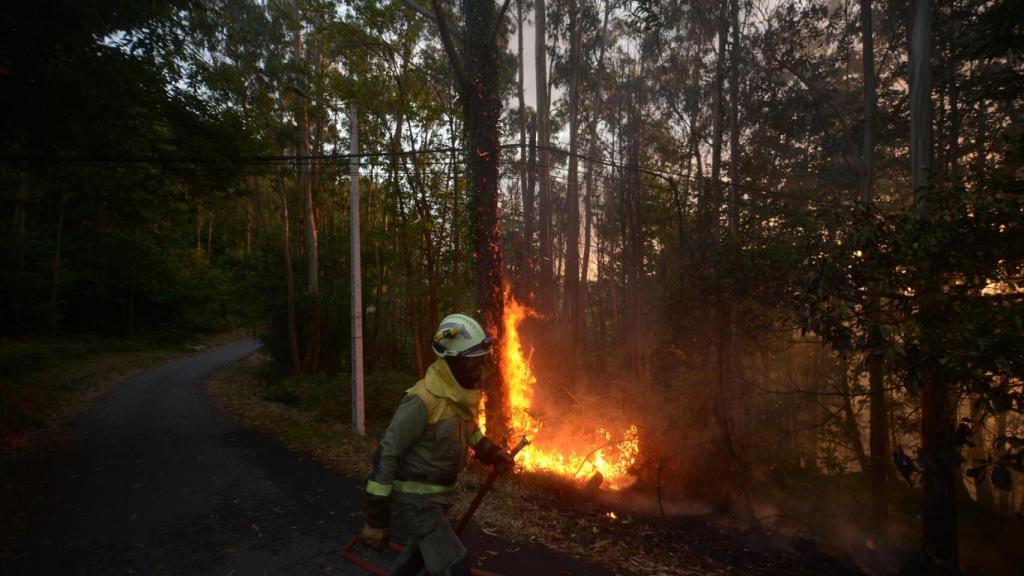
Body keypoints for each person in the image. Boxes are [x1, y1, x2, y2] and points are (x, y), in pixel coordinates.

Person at [360, 313, 514, 576]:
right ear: (451, 361)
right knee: (454, 564)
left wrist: (493, 453)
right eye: (473, 362)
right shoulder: (422, 400)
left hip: (441, 495)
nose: (480, 369)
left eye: (482, 361)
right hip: (418, 499)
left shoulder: (459, 396)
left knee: (419, 553)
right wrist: (376, 521)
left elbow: (471, 432)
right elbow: (387, 454)